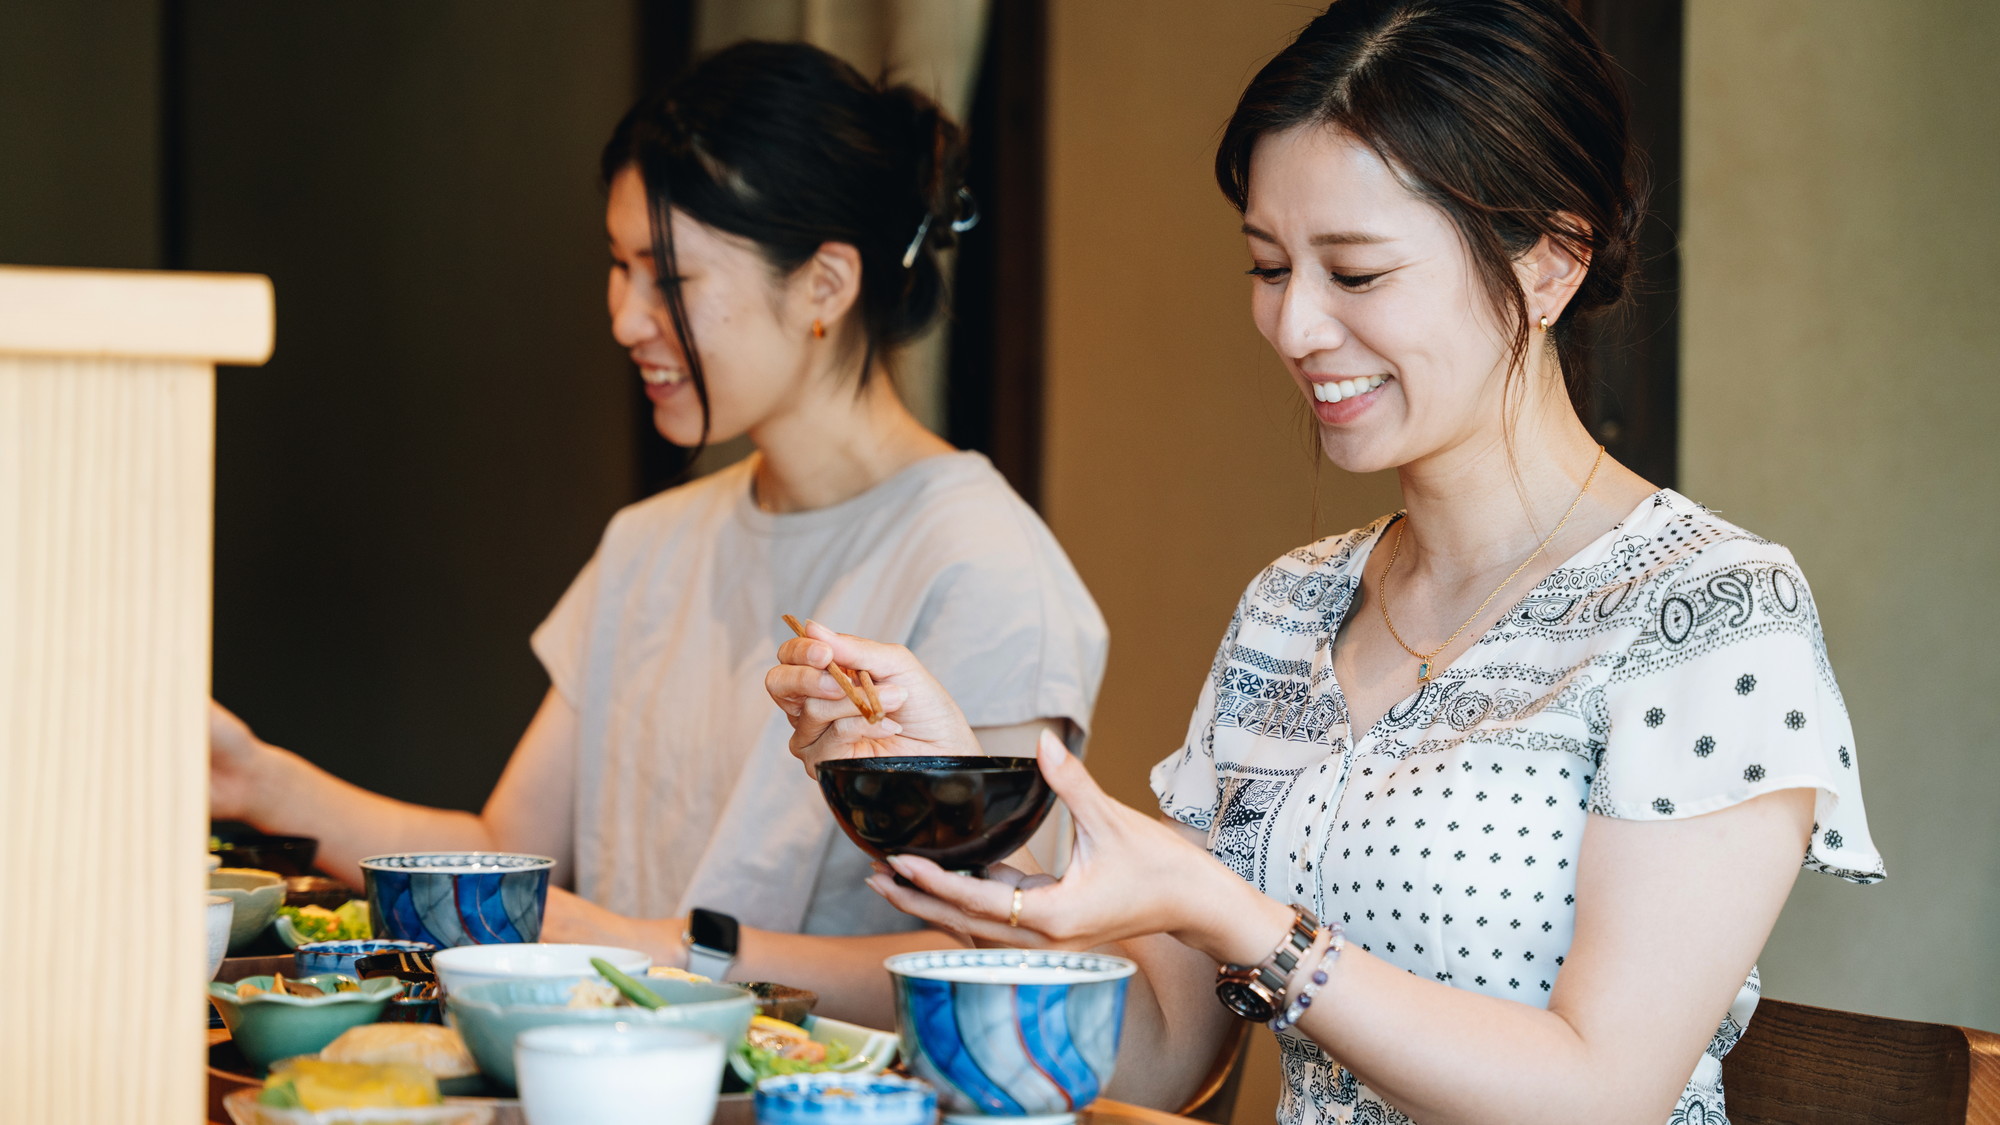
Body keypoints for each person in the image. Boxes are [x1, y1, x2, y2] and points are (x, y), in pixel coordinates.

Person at [766, 1, 1883, 1120]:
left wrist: (1249, 926)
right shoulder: (1288, 608)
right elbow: (1165, 1057)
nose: (1293, 325)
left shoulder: (1709, 611)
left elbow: (1600, 1092)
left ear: (1548, 263)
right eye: (1266, 264)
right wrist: (951, 799)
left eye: (1353, 274)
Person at [210, 40, 1107, 1028]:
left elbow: (982, 961)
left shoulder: (982, 564)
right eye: (617, 265)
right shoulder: (650, 540)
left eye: (667, 278)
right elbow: (503, 848)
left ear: (824, 284)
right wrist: (255, 778)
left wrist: (650, 951)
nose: (624, 316)